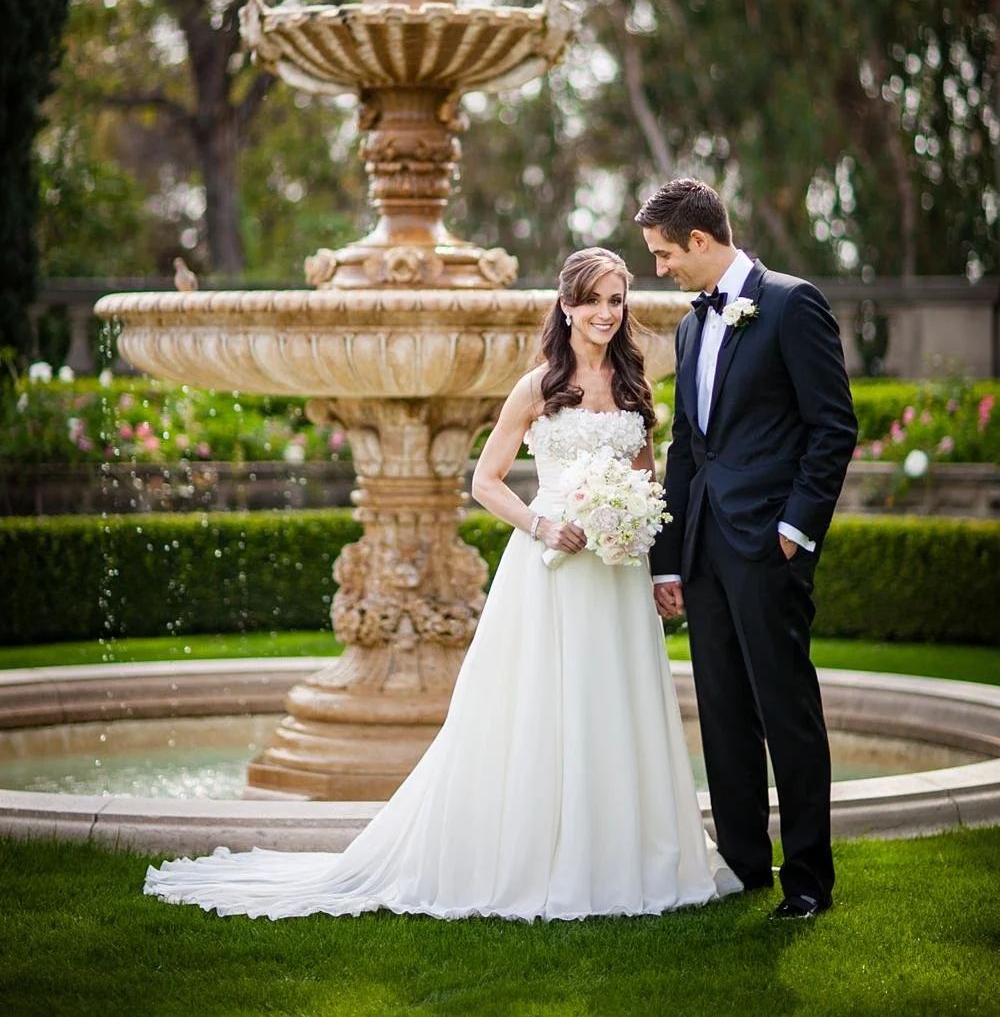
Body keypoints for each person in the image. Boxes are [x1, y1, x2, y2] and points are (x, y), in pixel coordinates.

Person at [143, 246, 738, 920]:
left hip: (617, 571)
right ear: (567, 307)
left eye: (617, 299)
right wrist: (544, 527)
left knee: (616, 700)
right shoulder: (537, 386)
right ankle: (543, 857)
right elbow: (484, 482)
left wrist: (634, 530)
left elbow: (645, 483)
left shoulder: (636, 389)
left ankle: (630, 856)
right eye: (595, 299)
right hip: (552, 568)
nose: (607, 313)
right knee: (545, 705)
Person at [636, 179, 857, 921]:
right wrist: (668, 559)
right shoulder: (691, 326)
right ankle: (741, 864)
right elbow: (687, 447)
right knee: (724, 712)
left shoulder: (792, 305)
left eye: (664, 254)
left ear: (700, 241)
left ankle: (807, 881)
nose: (659, 268)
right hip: (703, 550)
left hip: (769, 548)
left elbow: (833, 427)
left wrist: (795, 531)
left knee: (786, 710)